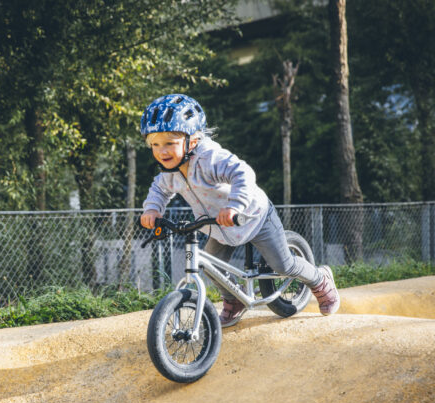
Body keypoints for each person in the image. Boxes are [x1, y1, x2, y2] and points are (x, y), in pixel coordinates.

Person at [139, 93, 339, 327]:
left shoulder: (209, 158)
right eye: (155, 144)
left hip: (253, 215)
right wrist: (152, 210)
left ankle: (320, 279)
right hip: (217, 225)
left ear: (192, 140)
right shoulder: (169, 172)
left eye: (169, 144)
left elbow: (242, 173)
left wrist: (235, 205)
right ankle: (234, 301)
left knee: (283, 265)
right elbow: (159, 190)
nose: (162, 151)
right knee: (211, 265)